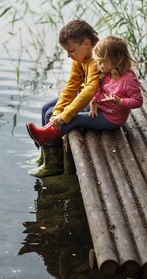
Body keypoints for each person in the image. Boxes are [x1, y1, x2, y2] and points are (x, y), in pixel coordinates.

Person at [27, 36, 143, 174]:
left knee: (75, 118)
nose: (98, 66)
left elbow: (138, 101)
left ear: (116, 59)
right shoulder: (108, 73)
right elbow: (99, 89)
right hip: (99, 109)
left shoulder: (128, 80)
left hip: (111, 119)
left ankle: (47, 136)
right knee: (51, 109)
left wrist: (120, 102)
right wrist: (94, 101)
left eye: (101, 62)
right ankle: (46, 135)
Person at [26, 19, 101, 177]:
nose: (68, 56)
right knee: (47, 109)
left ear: (87, 43)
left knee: (51, 115)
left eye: (71, 51)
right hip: (85, 96)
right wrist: (58, 111)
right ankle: (45, 155)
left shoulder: (96, 60)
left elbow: (89, 91)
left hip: (98, 102)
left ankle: (54, 164)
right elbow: (71, 86)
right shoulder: (80, 58)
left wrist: (64, 115)